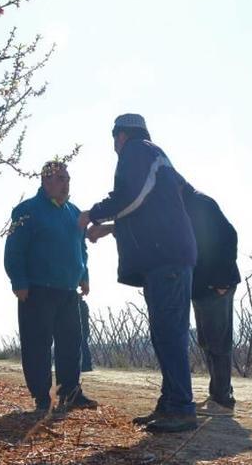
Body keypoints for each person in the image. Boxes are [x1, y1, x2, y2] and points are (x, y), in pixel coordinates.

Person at [80, 113, 198, 433]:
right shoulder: (153, 155)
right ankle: (171, 403)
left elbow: (131, 195)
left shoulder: (138, 151)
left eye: (113, 139)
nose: (114, 147)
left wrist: (93, 213)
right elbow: (149, 209)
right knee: (164, 333)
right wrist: (107, 229)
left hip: (166, 260)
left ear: (121, 135)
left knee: (170, 334)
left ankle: (182, 408)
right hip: (166, 258)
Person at [4, 160, 97, 413]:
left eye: (68, 178)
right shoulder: (26, 211)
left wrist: (84, 275)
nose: (67, 184)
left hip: (68, 290)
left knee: (71, 342)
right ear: (46, 181)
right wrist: (19, 281)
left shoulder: (75, 212)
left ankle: (70, 392)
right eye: (61, 179)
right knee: (37, 345)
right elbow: (14, 251)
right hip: (36, 289)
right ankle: (42, 398)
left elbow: (81, 248)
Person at [183, 184, 241, 416]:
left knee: (218, 341)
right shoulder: (184, 205)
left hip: (218, 284)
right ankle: (218, 392)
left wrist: (221, 281)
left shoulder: (200, 203)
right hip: (202, 286)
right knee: (206, 340)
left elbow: (229, 236)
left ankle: (223, 398)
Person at [79, 298, 94, 372]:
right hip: (84, 329)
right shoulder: (83, 305)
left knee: (83, 346)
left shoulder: (81, 305)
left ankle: (86, 365)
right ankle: (86, 365)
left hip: (83, 329)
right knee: (84, 346)